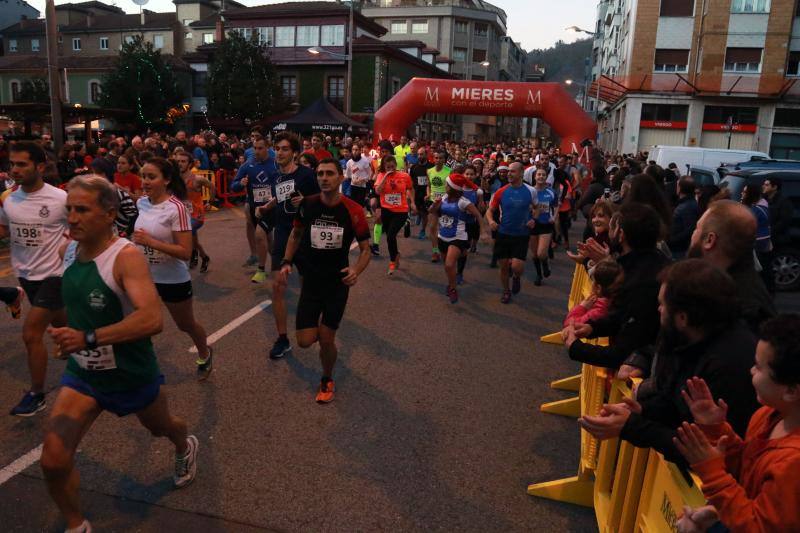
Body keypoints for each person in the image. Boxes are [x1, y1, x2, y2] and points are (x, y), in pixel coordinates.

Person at [42, 175, 198, 533]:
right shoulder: (68, 250)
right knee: (53, 459)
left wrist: (89, 337)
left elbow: (151, 318)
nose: (73, 218)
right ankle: (76, 524)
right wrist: (67, 336)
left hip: (131, 373)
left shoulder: (126, 257)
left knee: (162, 428)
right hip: (84, 375)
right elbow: (76, 302)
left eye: (82, 209)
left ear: (110, 214)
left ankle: (184, 444)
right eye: (69, 210)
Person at [577, 260, 759, 467]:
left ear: (682, 318)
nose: (659, 310)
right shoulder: (695, 337)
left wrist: (631, 425)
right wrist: (643, 411)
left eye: (662, 304)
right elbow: (677, 404)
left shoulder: (727, 365)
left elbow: (700, 448)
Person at [674, 315, 800, 533]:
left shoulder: (793, 464)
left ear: (790, 391)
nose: (751, 370)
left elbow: (757, 527)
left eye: (759, 368)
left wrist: (712, 472)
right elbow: (749, 470)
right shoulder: (766, 415)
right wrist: (716, 429)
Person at [277, 158, 371, 403]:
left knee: (326, 339)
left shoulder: (354, 210)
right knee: (305, 341)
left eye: (330, 173)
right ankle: (324, 334)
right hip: (310, 280)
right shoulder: (307, 205)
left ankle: (327, 377)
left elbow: (365, 249)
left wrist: (356, 271)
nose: (324, 178)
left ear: (341, 178)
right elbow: (295, 234)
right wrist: (286, 261)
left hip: (336, 283)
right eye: (320, 174)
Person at [0, 141, 69, 416]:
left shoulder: (61, 199)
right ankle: (89, 347)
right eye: (11, 164)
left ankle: (37, 393)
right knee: (61, 323)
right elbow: (4, 230)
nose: (14, 170)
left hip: (55, 273)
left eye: (21, 164)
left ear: (40, 167)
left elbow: (84, 224)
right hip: (25, 273)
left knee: (31, 333)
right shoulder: (7, 198)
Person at [564, 203, 670, 376]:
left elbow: (625, 349)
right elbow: (621, 317)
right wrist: (592, 328)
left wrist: (576, 347)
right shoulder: (655, 262)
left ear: (621, 235)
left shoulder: (637, 281)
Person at [133, 158, 213, 380]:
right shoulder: (142, 203)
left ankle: (205, 352)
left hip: (172, 279)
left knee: (185, 324)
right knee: (143, 323)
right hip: (144, 277)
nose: (145, 181)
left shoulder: (176, 208)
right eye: (143, 177)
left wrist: (151, 243)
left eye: (151, 177)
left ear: (166, 180)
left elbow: (185, 252)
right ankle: (148, 368)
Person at [257, 131, 320, 360]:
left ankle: (312, 324)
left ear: (294, 153)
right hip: (283, 233)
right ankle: (282, 339)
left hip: (304, 235)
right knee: (277, 288)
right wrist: (266, 206)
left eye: (284, 149)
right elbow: (279, 198)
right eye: (278, 148)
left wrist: (306, 201)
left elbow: (320, 200)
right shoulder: (276, 177)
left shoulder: (306, 175)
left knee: (307, 289)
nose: (280, 153)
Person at [687, 200, 776, 333]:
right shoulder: (726, 284)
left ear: (709, 240)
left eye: (697, 228)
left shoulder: (740, 308)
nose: (693, 235)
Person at [486, 161, 538, 304]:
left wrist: (534, 218)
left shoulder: (530, 191)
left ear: (521, 173)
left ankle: (516, 277)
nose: (509, 173)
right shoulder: (501, 191)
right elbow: (490, 211)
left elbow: (537, 208)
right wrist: (491, 221)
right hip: (503, 233)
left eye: (513, 171)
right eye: (508, 171)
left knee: (516, 266)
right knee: (503, 266)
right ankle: (506, 291)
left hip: (521, 234)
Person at [232, 137, 279, 283]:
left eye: (260, 148)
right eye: (255, 148)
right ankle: (281, 261)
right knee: (268, 241)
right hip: (254, 208)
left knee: (259, 235)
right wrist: (240, 183)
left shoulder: (276, 164)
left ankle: (261, 270)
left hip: (270, 207)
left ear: (268, 148)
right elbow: (232, 186)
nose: (257, 151)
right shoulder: (247, 165)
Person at [430, 173, 482, 303]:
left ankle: (453, 288)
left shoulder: (464, 202)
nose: (445, 185)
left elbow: (478, 216)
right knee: (447, 266)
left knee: (449, 264)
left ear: (452, 187)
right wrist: (435, 205)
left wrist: (485, 231)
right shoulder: (444, 197)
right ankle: (451, 282)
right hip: (442, 236)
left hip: (458, 237)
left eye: (447, 184)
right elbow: (432, 211)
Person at [374, 155, 416, 275]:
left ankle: (392, 261)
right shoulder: (381, 176)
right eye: (388, 167)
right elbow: (378, 191)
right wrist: (386, 176)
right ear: (384, 167)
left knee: (390, 236)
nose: (391, 169)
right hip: (386, 210)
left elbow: (410, 188)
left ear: (396, 166)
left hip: (401, 211)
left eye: (392, 166)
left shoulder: (404, 176)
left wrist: (412, 202)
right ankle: (396, 255)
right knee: (389, 236)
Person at [175, 151, 214, 273]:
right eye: (178, 161)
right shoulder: (175, 179)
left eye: (183, 161)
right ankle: (204, 256)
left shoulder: (197, 179)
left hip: (196, 215)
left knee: (184, 232)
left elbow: (212, 187)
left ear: (189, 163)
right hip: (181, 215)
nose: (180, 164)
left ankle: (188, 256)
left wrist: (210, 202)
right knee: (193, 241)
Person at [563, 258, 622, 326]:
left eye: (593, 280)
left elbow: (570, 325)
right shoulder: (620, 301)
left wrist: (582, 307)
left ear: (598, 288)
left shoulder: (598, 311)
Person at [529, 167, 559, 286]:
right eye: (538, 175)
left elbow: (556, 206)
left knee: (541, 253)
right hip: (532, 225)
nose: (541, 176)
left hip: (546, 225)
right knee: (534, 254)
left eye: (543, 175)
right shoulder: (530, 191)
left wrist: (554, 217)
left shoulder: (551, 192)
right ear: (535, 177)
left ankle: (545, 262)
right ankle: (538, 274)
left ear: (546, 177)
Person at [426, 151, 452, 262]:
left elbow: (451, 188)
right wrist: (428, 194)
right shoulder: (429, 171)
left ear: (444, 160)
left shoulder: (449, 171)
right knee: (432, 227)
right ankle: (435, 251)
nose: (438, 160)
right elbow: (429, 185)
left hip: (446, 203)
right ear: (433, 159)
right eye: (436, 157)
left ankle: (448, 250)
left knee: (445, 227)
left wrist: (447, 197)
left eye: (441, 158)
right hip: (433, 202)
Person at [668, 177, 699, 259]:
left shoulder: (687, 206)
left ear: (680, 188)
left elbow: (688, 231)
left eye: (677, 185)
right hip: (678, 248)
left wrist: (670, 240)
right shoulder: (688, 203)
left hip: (678, 250)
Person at [409, 147, 433, 240]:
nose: (420, 156)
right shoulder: (414, 167)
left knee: (425, 214)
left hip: (426, 194)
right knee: (416, 210)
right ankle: (418, 214)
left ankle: (422, 230)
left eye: (421, 154)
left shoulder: (431, 167)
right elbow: (410, 182)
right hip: (416, 192)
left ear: (426, 155)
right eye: (418, 154)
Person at [345, 143, 372, 211]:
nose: (354, 151)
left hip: (362, 187)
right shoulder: (349, 162)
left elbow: (370, 173)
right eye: (353, 149)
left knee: (360, 206)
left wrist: (363, 180)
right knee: (353, 205)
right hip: (353, 186)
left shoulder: (365, 161)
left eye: (356, 150)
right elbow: (347, 175)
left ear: (360, 151)